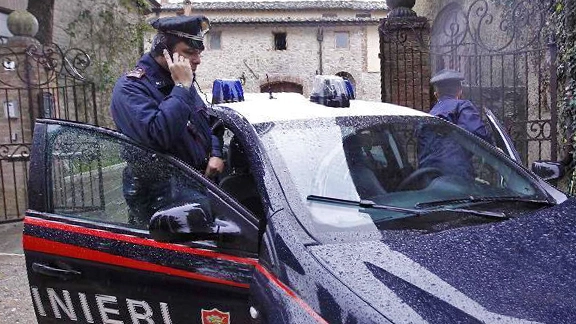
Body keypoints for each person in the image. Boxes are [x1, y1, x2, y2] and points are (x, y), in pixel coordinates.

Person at [110, 15, 224, 226]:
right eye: (189, 53)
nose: (197, 60)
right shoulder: (131, 88)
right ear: (164, 51)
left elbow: (207, 123)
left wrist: (216, 153)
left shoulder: (181, 80)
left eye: (199, 53)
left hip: (197, 187)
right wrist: (181, 89)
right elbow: (158, 135)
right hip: (162, 202)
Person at [417, 69, 493, 180]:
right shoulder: (462, 107)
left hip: (428, 179)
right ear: (460, 92)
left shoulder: (427, 117)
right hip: (457, 178)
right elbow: (478, 135)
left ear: (436, 94)